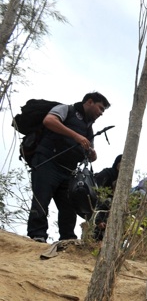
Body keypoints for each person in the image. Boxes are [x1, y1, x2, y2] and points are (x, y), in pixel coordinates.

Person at [27, 92, 110, 243]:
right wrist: (75, 136)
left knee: (69, 206)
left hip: (69, 171)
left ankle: (68, 239)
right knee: (41, 199)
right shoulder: (67, 110)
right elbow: (49, 120)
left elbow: (89, 152)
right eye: (100, 108)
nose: (101, 113)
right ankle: (37, 235)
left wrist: (92, 154)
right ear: (90, 102)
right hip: (47, 161)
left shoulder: (89, 128)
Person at [91, 154, 123, 241]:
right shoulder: (107, 173)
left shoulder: (124, 180)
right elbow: (96, 188)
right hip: (99, 204)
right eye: (121, 163)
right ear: (117, 163)